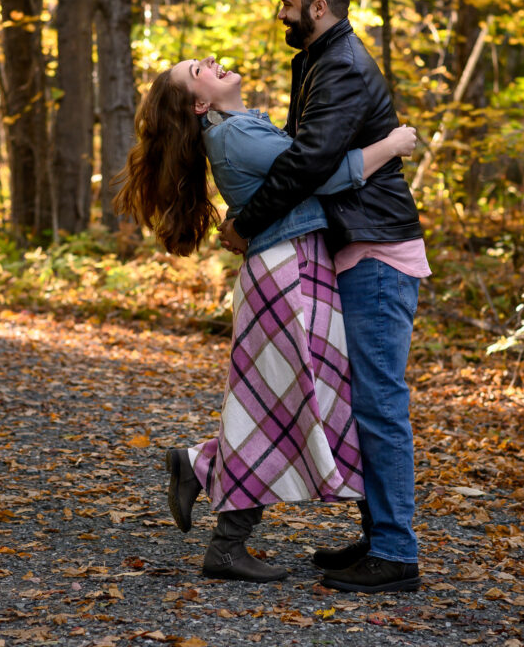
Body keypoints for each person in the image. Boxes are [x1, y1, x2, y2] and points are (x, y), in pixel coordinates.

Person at [113, 56, 418, 584]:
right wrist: (391, 145)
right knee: (288, 405)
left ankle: (205, 473)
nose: (210, 62)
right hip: (287, 271)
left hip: (295, 263)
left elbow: (291, 172)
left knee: (294, 403)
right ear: (199, 104)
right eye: (197, 70)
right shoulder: (234, 136)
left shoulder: (242, 127)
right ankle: (226, 538)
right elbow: (317, 174)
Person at [219, 0, 431, 594]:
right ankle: (377, 536)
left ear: (317, 7)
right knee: (356, 396)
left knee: (378, 401)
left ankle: (395, 553)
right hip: (350, 244)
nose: (279, 13)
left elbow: (309, 162)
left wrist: (247, 222)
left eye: (287, 4)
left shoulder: (339, 65)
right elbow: (299, 151)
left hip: (376, 247)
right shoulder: (316, 60)